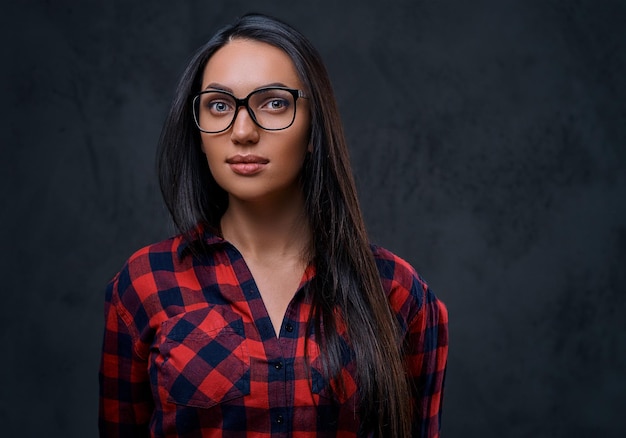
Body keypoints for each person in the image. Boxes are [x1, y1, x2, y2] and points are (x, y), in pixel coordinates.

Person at [99, 12, 448, 438]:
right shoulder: (145, 283)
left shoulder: (397, 291)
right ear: (198, 130)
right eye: (220, 105)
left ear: (313, 125)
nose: (242, 131)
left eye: (274, 102)